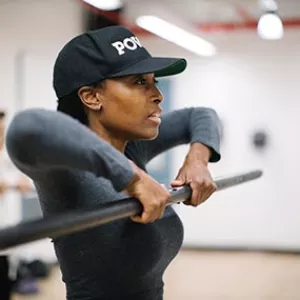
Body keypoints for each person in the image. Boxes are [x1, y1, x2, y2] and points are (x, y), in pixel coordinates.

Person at [6, 25, 221, 300]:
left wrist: (198, 159)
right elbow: (27, 128)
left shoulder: (133, 147)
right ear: (92, 97)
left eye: (154, 81)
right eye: (140, 82)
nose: (158, 94)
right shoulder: (67, 174)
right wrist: (131, 177)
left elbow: (201, 115)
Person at [0, 110, 32, 300]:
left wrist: (20, 184)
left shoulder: (10, 155)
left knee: (7, 283)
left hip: (10, 231)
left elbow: (25, 183)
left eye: (2, 129)